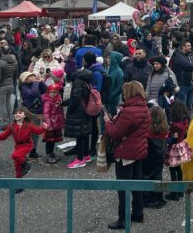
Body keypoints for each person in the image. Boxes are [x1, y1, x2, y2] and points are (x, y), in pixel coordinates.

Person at [104, 81, 151, 230]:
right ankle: (138, 213)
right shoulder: (145, 107)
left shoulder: (128, 111)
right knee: (137, 184)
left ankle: (123, 219)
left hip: (126, 152)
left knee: (123, 187)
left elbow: (115, 132)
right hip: (139, 150)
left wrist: (107, 122)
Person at [0, 107, 47, 189]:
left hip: (27, 145)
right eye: (16, 113)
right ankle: (19, 185)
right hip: (18, 146)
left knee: (15, 155)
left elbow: (37, 131)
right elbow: (3, 136)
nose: (17, 114)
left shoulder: (29, 125)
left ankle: (26, 164)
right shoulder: (12, 126)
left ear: (25, 115)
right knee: (17, 166)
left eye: (20, 113)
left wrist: (44, 128)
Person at [63, 68, 94, 169]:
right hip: (86, 109)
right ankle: (86, 155)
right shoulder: (87, 81)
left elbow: (75, 98)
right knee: (84, 134)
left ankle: (80, 159)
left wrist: (70, 109)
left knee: (80, 136)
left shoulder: (77, 82)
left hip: (78, 112)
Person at [142, 105, 169, 209]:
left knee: (146, 177)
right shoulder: (164, 130)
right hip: (159, 158)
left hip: (149, 157)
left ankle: (147, 200)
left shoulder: (148, 131)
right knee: (158, 177)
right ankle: (159, 199)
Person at [165, 101, 192, 201]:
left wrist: (167, 140)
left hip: (175, 148)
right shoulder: (184, 121)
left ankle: (174, 192)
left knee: (172, 170)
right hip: (181, 145)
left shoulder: (174, 125)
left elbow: (174, 139)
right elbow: (184, 135)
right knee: (179, 169)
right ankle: (180, 190)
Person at [19, 71, 47, 160]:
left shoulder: (35, 84)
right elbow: (33, 93)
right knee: (28, 133)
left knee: (35, 133)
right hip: (30, 112)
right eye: (30, 77)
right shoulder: (24, 87)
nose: (33, 78)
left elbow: (46, 91)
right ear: (25, 80)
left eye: (33, 76)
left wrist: (41, 82)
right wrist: (36, 83)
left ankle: (33, 151)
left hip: (38, 111)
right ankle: (23, 153)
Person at [0, 45, 18, 127]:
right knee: (7, 103)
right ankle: (10, 120)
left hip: (1, 86)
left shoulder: (0, 63)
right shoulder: (15, 61)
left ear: (1, 52)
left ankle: (5, 123)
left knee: (1, 105)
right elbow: (15, 74)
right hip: (10, 84)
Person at [41, 82, 64, 164]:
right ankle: (48, 155)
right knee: (49, 141)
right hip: (50, 125)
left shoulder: (58, 99)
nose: (53, 94)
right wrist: (49, 125)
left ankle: (52, 153)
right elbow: (46, 114)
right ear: (48, 92)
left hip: (56, 124)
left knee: (53, 140)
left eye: (55, 92)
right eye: (51, 92)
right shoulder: (48, 102)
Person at [171, 41, 193, 110]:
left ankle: (188, 120)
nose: (190, 47)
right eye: (188, 46)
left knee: (189, 106)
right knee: (182, 107)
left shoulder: (189, 55)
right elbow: (187, 65)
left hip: (190, 83)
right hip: (182, 84)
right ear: (183, 47)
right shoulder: (178, 56)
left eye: (190, 45)